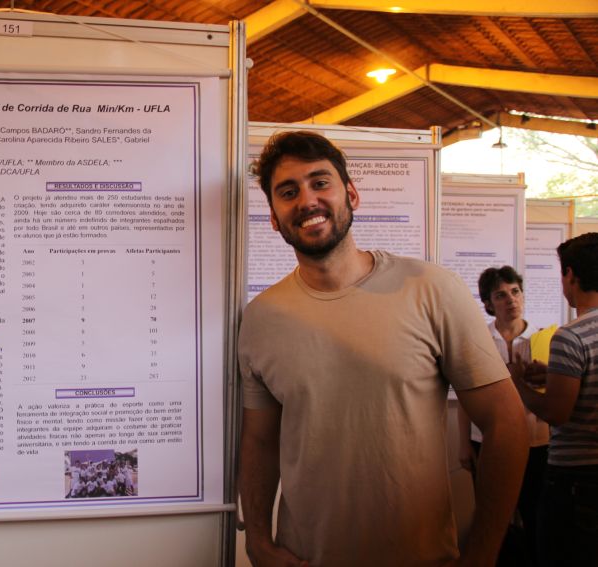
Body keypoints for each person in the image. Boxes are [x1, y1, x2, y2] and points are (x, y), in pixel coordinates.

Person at [238, 130, 529, 567]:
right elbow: (261, 441)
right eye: (288, 192)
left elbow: (506, 423)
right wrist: (258, 540)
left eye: (320, 182)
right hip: (305, 557)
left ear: (351, 194)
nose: (307, 200)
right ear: (275, 218)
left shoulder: (431, 290)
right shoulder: (262, 317)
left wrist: (483, 554)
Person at [510, 232, 598, 567]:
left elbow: (556, 413)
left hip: (576, 480)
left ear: (571, 275)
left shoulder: (571, 335)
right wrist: (554, 375)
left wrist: (518, 384)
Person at [457, 266, 549, 562]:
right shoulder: (479, 340)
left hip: (536, 441)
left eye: (515, 291)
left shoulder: (543, 339)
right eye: (501, 295)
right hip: (487, 439)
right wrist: (463, 443)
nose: (511, 300)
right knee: (493, 515)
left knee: (535, 513)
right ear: (488, 303)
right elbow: (465, 394)